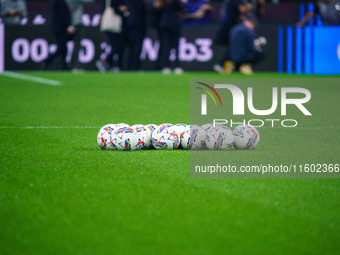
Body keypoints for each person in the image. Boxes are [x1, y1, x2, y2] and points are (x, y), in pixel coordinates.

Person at [213, 0, 253, 74]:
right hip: (231, 27)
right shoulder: (238, 1)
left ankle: (224, 65)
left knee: (232, 47)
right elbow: (242, 9)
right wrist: (248, 7)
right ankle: (222, 64)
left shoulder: (230, 2)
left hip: (227, 25)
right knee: (233, 47)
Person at [96, 0, 128, 72]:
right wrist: (123, 10)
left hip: (115, 26)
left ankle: (111, 66)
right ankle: (104, 61)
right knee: (116, 47)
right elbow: (116, 9)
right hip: (112, 25)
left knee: (116, 47)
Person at [155, 0, 185, 74]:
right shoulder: (175, 1)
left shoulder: (160, 2)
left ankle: (166, 67)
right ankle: (176, 67)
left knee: (166, 47)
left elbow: (157, 13)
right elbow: (183, 10)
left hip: (164, 25)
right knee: (175, 47)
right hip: (174, 25)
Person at [43, 0, 74, 70]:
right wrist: (68, 26)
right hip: (60, 27)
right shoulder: (60, 1)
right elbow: (63, 14)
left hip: (59, 27)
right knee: (61, 48)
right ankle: (47, 60)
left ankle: (65, 66)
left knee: (64, 48)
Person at [66, 0, 95, 72]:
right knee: (77, 45)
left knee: (75, 45)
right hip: (76, 23)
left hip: (71, 22)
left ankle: (72, 65)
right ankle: (75, 66)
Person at [125, 0, 146, 71]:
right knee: (135, 48)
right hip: (135, 26)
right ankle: (133, 67)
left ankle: (134, 67)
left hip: (136, 26)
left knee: (136, 49)